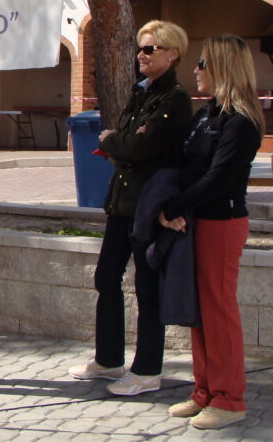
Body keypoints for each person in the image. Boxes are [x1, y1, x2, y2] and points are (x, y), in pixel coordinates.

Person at [68, 20, 193, 395]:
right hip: (121, 201)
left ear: (172, 54)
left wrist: (115, 142)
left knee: (147, 286)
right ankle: (108, 359)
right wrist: (118, 142)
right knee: (106, 277)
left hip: (147, 204)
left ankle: (147, 370)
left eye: (149, 48)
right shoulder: (142, 94)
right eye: (140, 47)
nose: (141, 54)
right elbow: (124, 140)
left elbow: (139, 147)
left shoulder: (174, 100)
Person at [160, 35, 264, 429]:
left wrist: (175, 207)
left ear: (222, 67)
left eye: (203, 63)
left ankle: (229, 398)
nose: (196, 70)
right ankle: (204, 391)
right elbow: (186, 164)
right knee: (200, 313)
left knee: (219, 313)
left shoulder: (241, 120)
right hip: (195, 221)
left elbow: (219, 178)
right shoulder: (206, 114)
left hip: (222, 223)